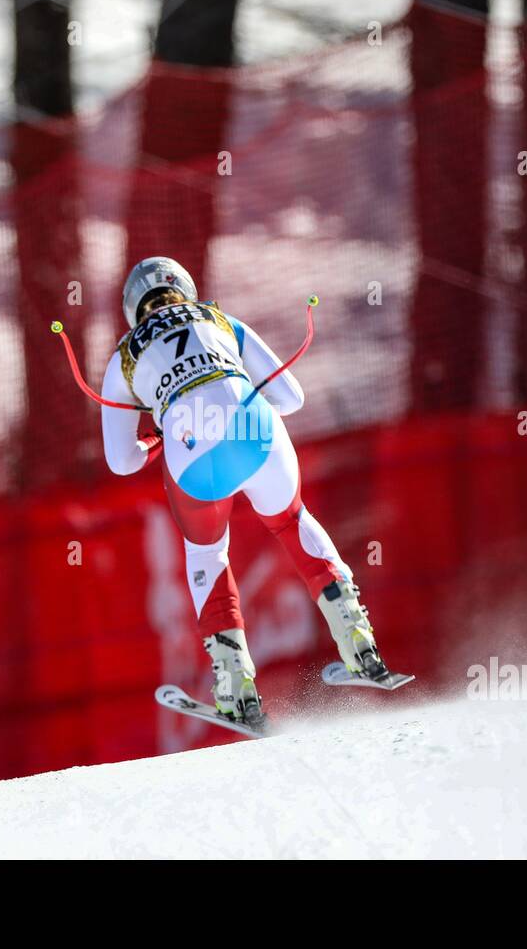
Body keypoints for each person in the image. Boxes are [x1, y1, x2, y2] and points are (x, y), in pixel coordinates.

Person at [101, 256, 386, 726]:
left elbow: (120, 460)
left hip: (190, 450)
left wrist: (156, 437)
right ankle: (359, 642)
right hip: (257, 429)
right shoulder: (218, 318)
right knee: (293, 523)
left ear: (133, 308)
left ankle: (235, 685)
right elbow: (292, 397)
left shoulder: (123, 357)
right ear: (186, 290)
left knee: (208, 555)